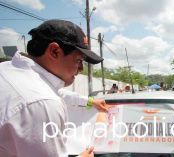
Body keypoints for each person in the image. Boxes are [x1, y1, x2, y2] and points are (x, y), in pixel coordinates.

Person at [0, 19, 105, 157]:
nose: (81, 69)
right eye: (79, 60)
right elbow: (45, 98)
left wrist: (89, 101)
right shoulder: (43, 103)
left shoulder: (8, 70)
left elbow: (58, 93)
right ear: (54, 51)